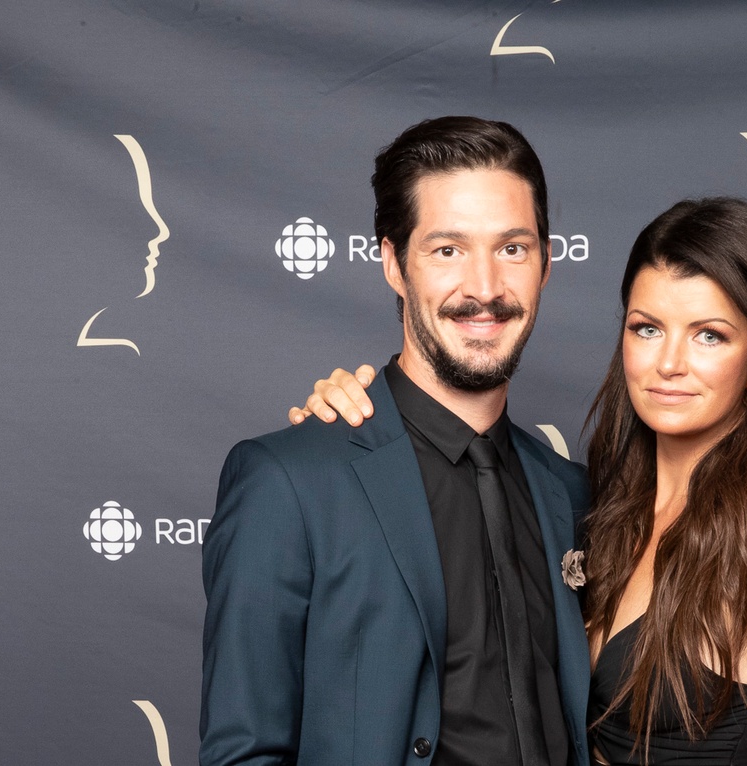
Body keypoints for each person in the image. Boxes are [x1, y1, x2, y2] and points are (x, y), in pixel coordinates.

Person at [292, 198, 747, 765]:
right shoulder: (592, 507)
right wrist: (353, 417)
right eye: (648, 328)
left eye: (710, 335)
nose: (670, 363)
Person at [201, 116, 593, 766]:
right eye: (447, 251)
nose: (486, 288)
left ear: (547, 264)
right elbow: (242, 754)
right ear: (392, 262)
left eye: (513, 248)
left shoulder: (572, 494)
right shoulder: (290, 482)